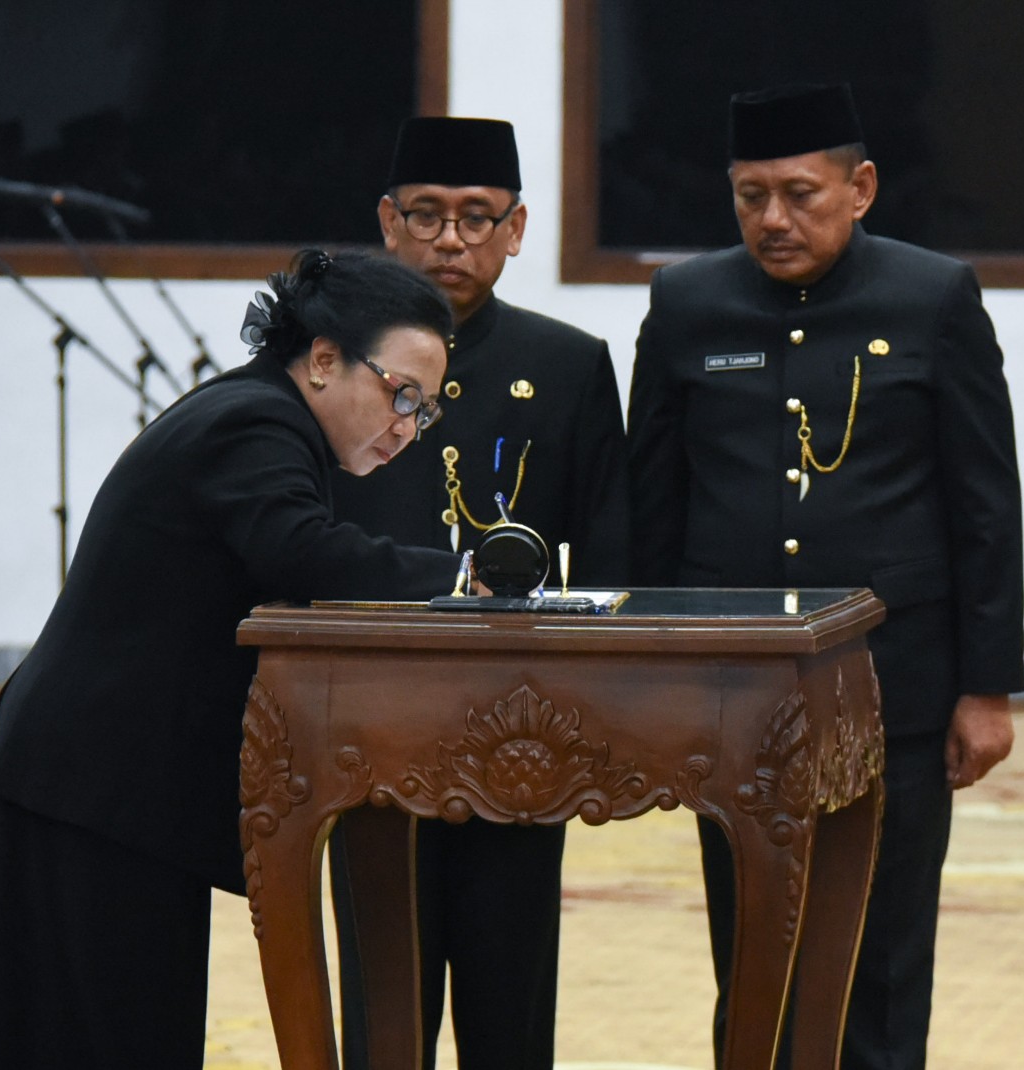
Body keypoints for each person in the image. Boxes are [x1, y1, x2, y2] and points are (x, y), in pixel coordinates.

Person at [0, 249, 464, 1069]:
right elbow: (299, 552)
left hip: (110, 785)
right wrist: (468, 579)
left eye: (426, 409)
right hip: (93, 784)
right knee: (83, 1040)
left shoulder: (264, 415)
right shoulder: (254, 420)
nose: (408, 426)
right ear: (325, 358)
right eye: (400, 395)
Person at [627, 83, 1024, 1069]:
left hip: (899, 680)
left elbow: (983, 501)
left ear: (861, 188)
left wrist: (986, 686)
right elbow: (652, 504)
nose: (772, 219)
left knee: (884, 948)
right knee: (751, 932)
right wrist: (646, 672)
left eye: (799, 193)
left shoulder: (933, 297)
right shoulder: (687, 301)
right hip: (733, 680)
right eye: (748, 194)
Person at [327, 116, 628, 1070]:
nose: (449, 240)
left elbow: (610, 553)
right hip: (369, 717)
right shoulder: (333, 360)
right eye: (426, 215)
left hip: (522, 723)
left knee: (510, 998)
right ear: (388, 220)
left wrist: (602, 711)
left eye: (475, 218)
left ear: (517, 228)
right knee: (383, 1003)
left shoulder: (568, 363)